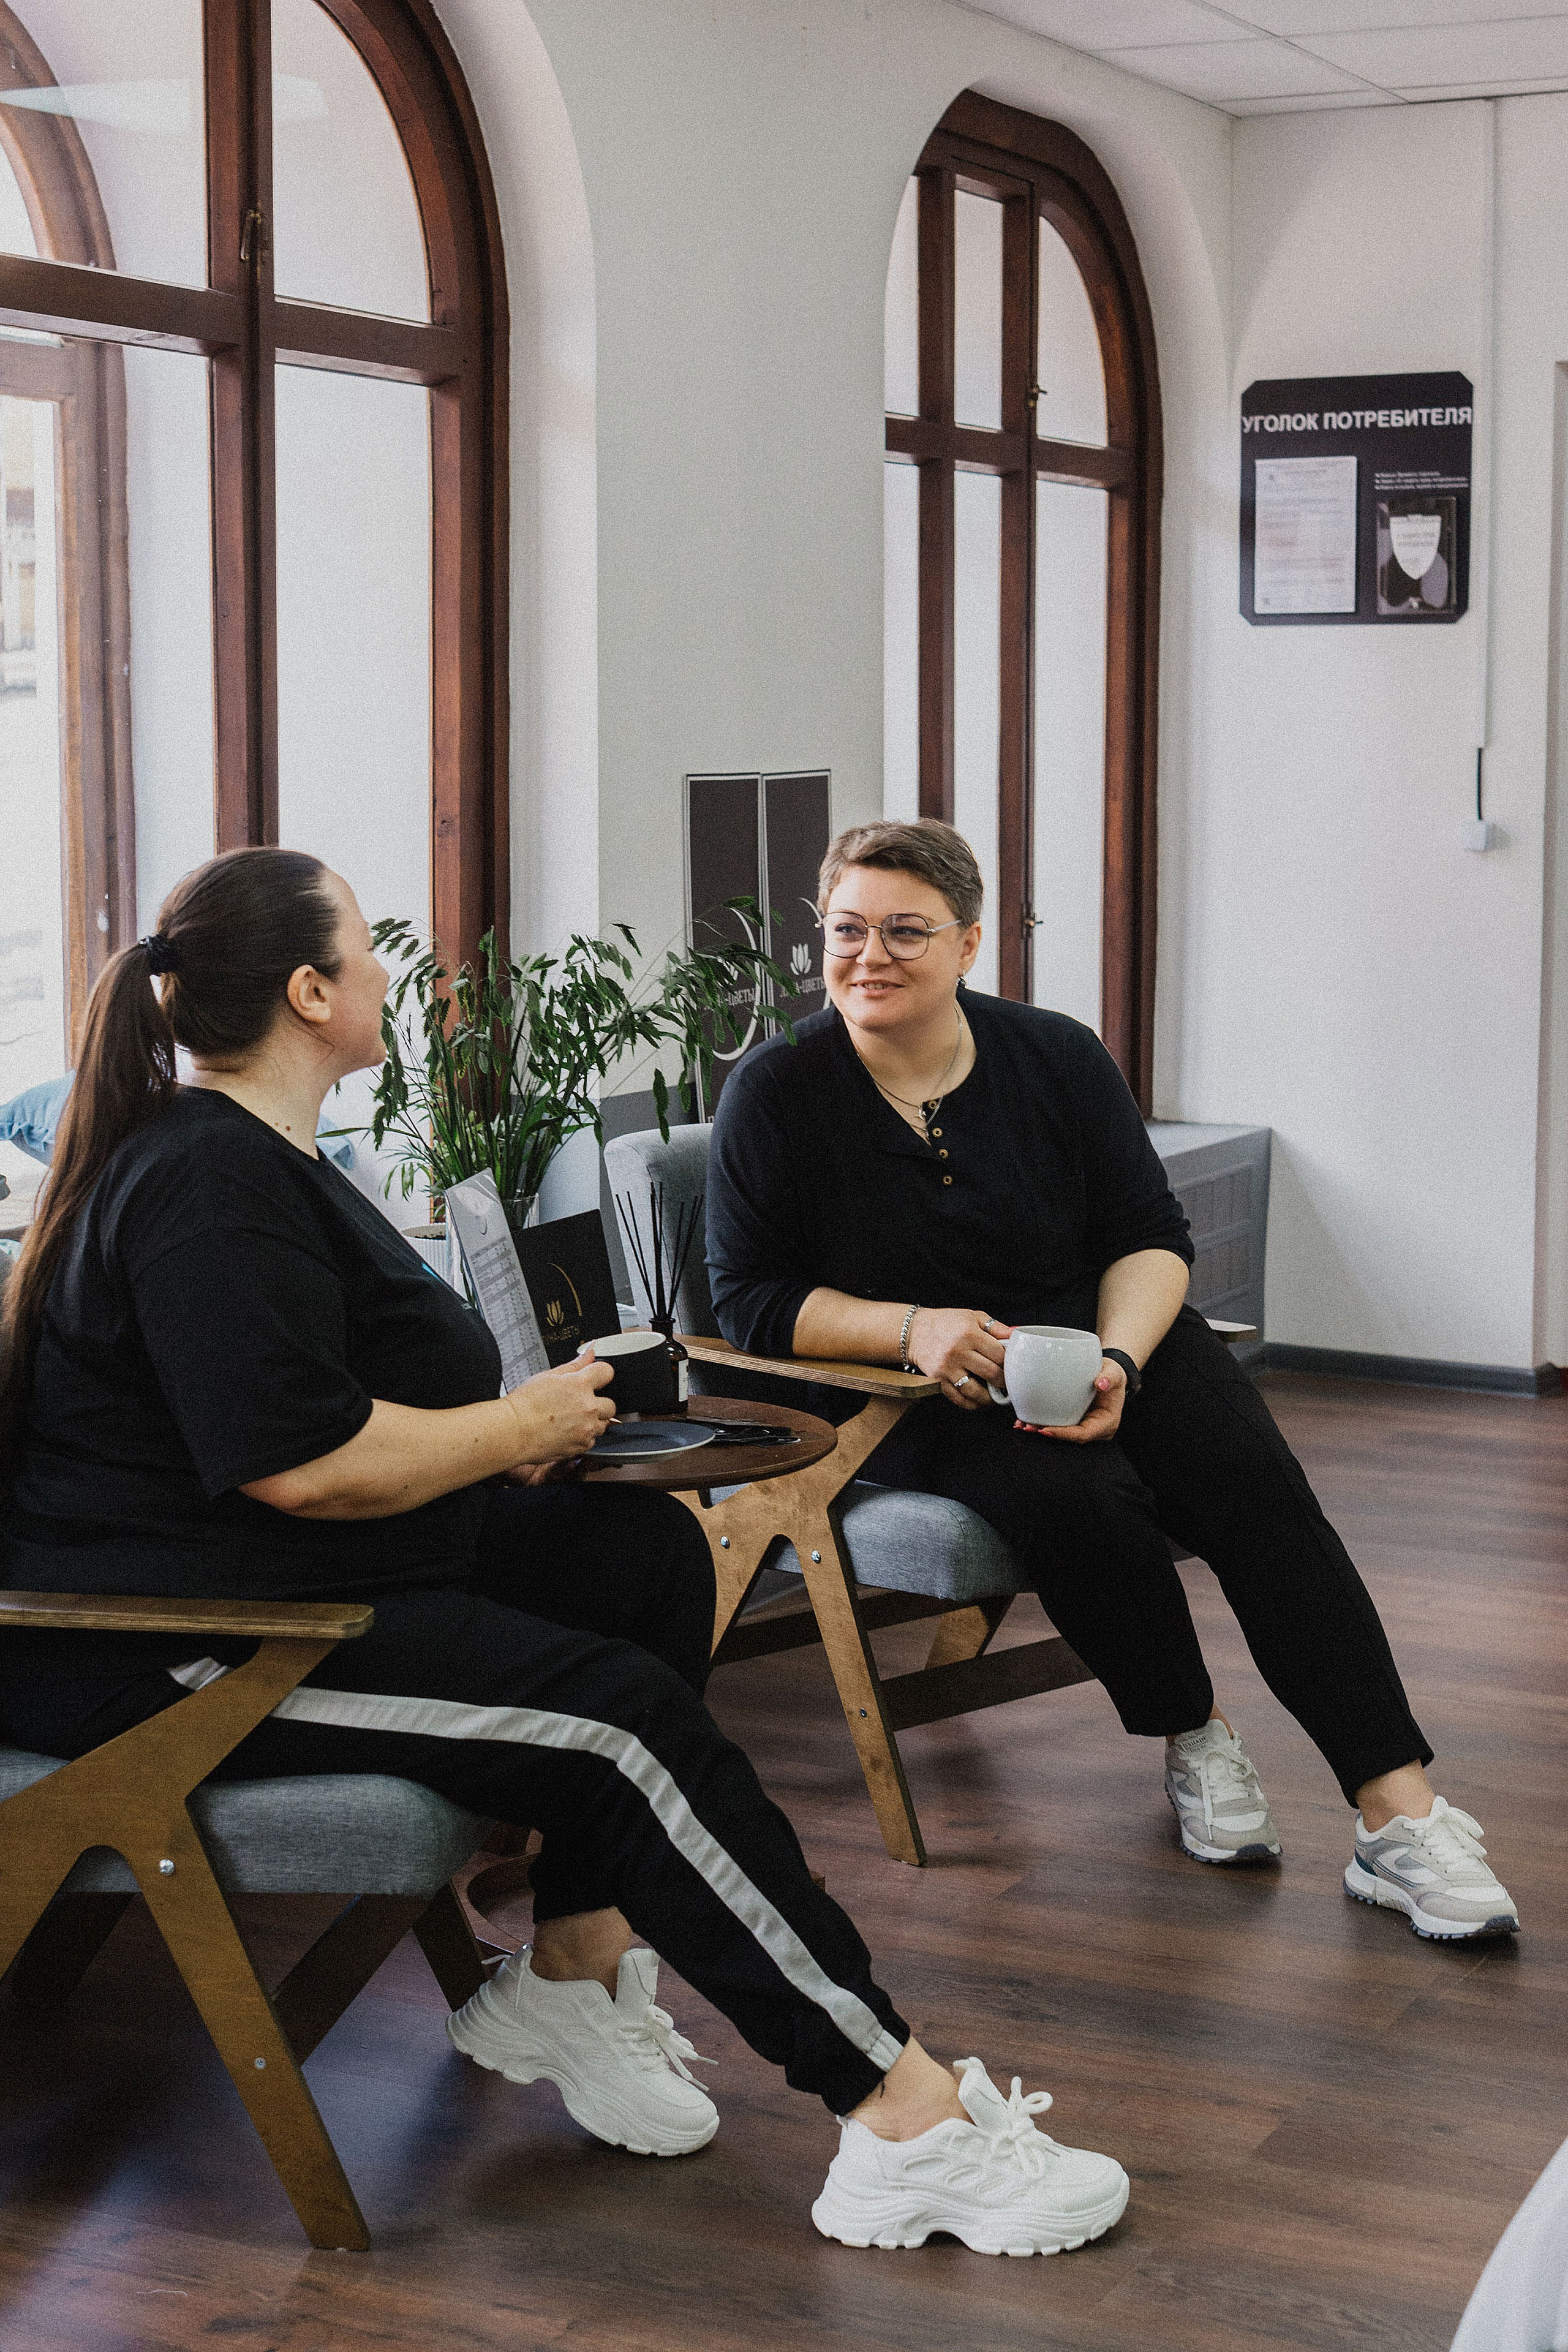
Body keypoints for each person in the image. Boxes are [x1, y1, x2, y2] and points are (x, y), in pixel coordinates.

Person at [0, 845, 1131, 2258]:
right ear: (308, 991)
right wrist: (503, 1424)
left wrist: (514, 1436)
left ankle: (574, 1970)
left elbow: (326, 1414)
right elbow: (298, 1467)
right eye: (361, 951)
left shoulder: (261, 1158)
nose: (381, 978)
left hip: (310, 1580)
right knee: (616, 1730)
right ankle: (897, 2114)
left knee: (641, 1555)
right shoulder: (205, 1186)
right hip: (196, 1651)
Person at [706, 819, 1518, 1941]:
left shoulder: (1056, 1055)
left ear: (969, 942)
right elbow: (747, 1298)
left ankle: (1397, 1814)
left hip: (1105, 1334)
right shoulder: (777, 1089)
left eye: (906, 931)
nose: (870, 957)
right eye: (847, 930)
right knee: (1078, 1502)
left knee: (1253, 1483)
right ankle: (1194, 1735)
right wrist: (912, 1330)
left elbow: (1150, 1233)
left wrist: (1125, 1358)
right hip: (916, 1386)